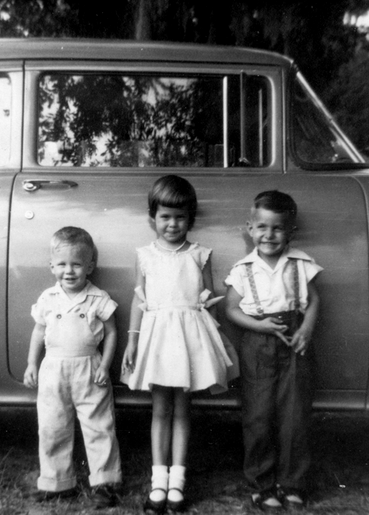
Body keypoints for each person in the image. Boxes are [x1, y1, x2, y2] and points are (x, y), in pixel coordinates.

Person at [122, 174, 235, 514]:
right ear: (152, 218)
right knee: (160, 409)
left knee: (183, 409)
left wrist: (215, 341)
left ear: (191, 218)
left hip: (189, 338)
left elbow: (207, 300)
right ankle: (158, 480)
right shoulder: (144, 255)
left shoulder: (200, 254)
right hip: (157, 338)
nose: (172, 224)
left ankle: (178, 482)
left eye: (180, 217)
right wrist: (133, 340)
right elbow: (138, 302)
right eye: (165, 217)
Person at [224, 190, 322, 511]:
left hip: (294, 339)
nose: (269, 235)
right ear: (250, 228)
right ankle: (261, 484)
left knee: (294, 414)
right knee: (258, 415)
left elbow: (315, 299)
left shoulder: (300, 262)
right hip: (257, 341)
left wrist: (306, 328)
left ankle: (293, 482)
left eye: (278, 228)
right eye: (262, 227)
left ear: (290, 231)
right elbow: (232, 309)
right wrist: (259, 326)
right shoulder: (242, 269)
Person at [23, 226, 122, 509]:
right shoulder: (48, 298)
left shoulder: (98, 297)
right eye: (62, 264)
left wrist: (105, 364)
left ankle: (104, 482)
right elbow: (38, 331)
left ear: (90, 266)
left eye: (77, 264)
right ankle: (56, 482)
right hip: (53, 369)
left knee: (99, 425)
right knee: (52, 426)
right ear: (51, 266)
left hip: (89, 368)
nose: (69, 271)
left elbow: (112, 331)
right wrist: (32, 363)